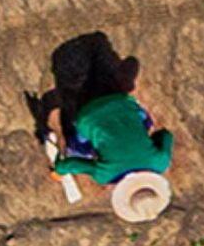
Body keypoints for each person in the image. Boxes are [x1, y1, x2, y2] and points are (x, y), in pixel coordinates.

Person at [28, 32, 174, 219]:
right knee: (78, 149)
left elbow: (166, 135)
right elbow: (71, 163)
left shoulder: (160, 162)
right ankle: (72, 101)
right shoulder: (104, 175)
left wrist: (149, 141)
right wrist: (58, 171)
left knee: (145, 123)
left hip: (121, 102)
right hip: (87, 114)